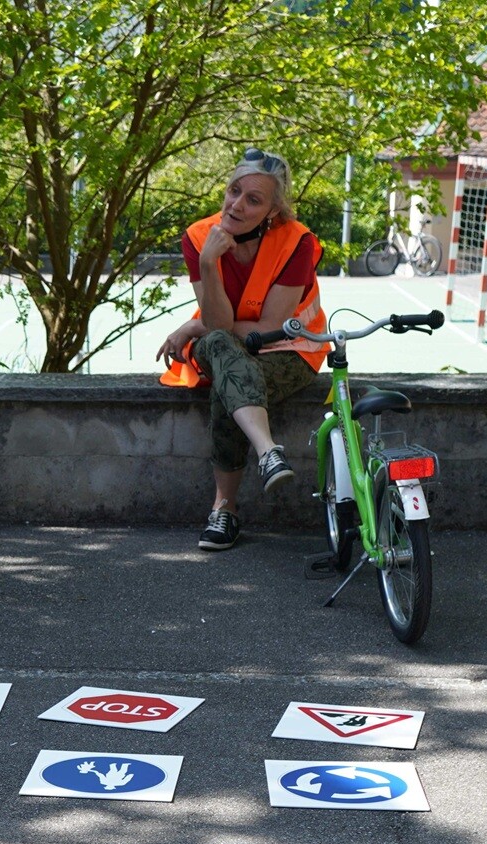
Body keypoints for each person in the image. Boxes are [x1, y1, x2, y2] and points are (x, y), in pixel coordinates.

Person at [157, 149, 332, 552]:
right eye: (234, 191)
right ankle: (268, 451)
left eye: (253, 199)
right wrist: (207, 263)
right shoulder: (199, 238)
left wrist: (192, 326)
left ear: (273, 211)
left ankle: (224, 510)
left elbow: (270, 327)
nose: (236, 204)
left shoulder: (298, 242)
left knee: (228, 383)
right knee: (220, 346)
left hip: (290, 349)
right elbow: (220, 326)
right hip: (226, 345)